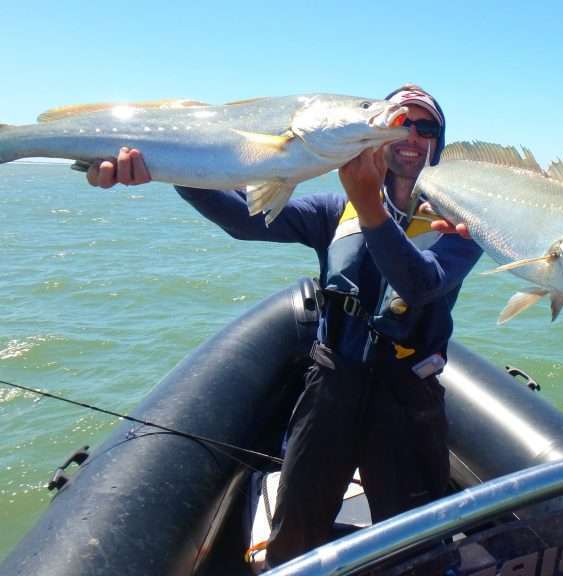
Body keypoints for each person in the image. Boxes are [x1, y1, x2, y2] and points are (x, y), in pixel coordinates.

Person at [86, 85, 483, 567]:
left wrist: (371, 205)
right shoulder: (336, 211)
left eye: (427, 129)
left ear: (438, 145)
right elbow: (242, 218)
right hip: (332, 379)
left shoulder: (460, 224)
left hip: (408, 393)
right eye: (403, 122)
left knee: (416, 543)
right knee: (296, 527)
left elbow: (421, 284)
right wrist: (169, 168)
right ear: (374, 137)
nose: (413, 135)